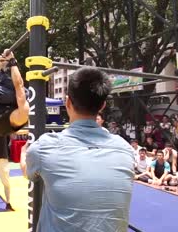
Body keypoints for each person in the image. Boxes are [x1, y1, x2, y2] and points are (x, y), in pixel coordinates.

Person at [20, 67, 134, 232]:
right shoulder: (125, 149)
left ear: (67, 102)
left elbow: (27, 172)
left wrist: (23, 154)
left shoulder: (45, 147)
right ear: (102, 106)